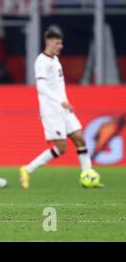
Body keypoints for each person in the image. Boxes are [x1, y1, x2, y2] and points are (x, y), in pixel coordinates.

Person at [20, 28, 102, 189]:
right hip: (51, 110)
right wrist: (61, 101)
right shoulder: (42, 61)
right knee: (61, 148)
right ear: (49, 42)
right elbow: (41, 87)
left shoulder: (55, 60)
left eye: (61, 43)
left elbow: (57, 86)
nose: (60, 46)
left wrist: (65, 102)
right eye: (57, 43)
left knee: (80, 138)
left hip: (63, 108)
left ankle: (88, 175)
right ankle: (27, 169)